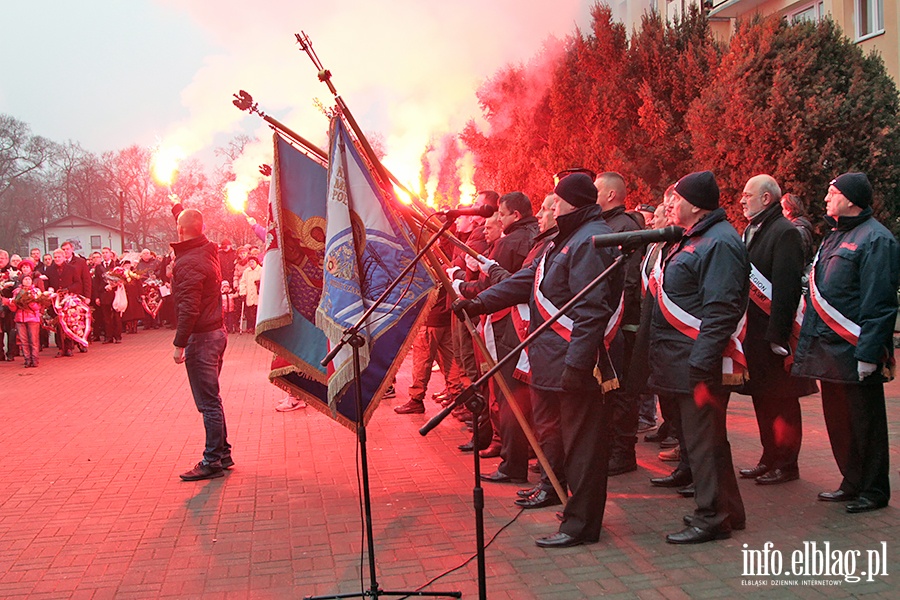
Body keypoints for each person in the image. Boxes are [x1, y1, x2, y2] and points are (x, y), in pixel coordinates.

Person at [454, 173, 623, 548]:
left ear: (571, 203)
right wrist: (479, 301)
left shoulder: (589, 240)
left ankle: (582, 525)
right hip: (550, 359)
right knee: (561, 440)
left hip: (572, 362)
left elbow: (591, 310)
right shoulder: (562, 238)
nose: (549, 208)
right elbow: (525, 281)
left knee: (583, 447)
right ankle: (571, 507)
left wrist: (578, 366)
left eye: (554, 202)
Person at [648, 171, 748, 544]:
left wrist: (700, 363)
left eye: (676, 198)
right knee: (709, 442)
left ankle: (711, 518)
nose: (670, 204)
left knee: (704, 444)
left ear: (695, 204)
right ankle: (729, 511)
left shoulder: (718, 242)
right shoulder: (695, 238)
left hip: (697, 363)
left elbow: (721, 309)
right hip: (682, 359)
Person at [792, 172, 899, 513]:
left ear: (851, 199)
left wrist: (869, 354)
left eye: (832, 192)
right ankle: (851, 481)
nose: (826, 198)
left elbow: (880, 302)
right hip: (829, 351)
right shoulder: (834, 236)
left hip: (855, 351)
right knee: (840, 423)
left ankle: (873, 490)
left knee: (865, 423)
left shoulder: (876, 239)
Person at [738, 175, 818, 485]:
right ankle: (768, 456)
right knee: (762, 398)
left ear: (767, 199)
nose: (743, 200)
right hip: (754, 333)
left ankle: (786, 463)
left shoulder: (784, 232)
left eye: (748, 194)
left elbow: (785, 289)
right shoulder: (755, 229)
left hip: (773, 335)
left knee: (782, 400)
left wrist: (778, 335)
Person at [171, 207, 232, 481]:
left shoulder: (188, 263)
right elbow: (195, 231)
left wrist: (179, 344)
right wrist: (179, 209)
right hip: (217, 333)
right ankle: (223, 453)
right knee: (213, 400)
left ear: (181, 230)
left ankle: (212, 460)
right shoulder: (207, 251)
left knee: (208, 402)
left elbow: (189, 308)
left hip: (203, 338)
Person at [594, 171, 646, 476]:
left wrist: (613, 317)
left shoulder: (624, 227)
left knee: (623, 390)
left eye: (598, 191)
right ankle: (613, 446)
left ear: (612, 194)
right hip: (611, 320)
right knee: (611, 391)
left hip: (622, 323)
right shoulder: (606, 225)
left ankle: (623, 452)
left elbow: (627, 280)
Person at [239, 256, 262, 334]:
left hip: (258, 294)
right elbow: (243, 282)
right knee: (249, 313)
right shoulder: (246, 271)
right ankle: (250, 327)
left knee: (257, 311)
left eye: (252, 262)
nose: (251, 263)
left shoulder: (261, 270)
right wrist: (243, 292)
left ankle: (257, 327)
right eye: (250, 262)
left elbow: (265, 281)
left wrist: (259, 283)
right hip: (249, 294)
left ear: (256, 262)